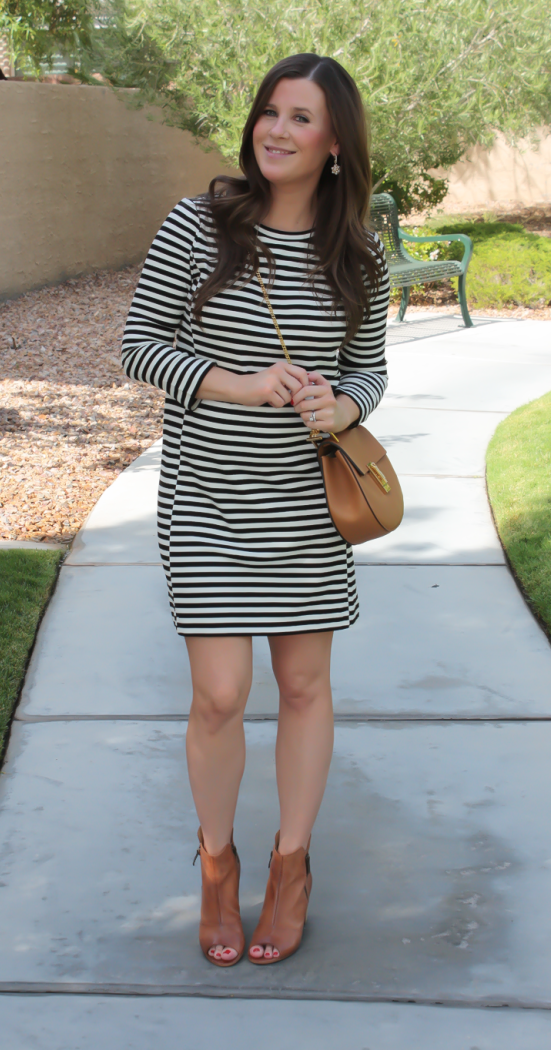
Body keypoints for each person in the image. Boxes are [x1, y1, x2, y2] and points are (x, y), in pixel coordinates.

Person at [121, 52, 389, 967]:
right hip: (207, 497)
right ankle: (216, 863)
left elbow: (371, 368)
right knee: (221, 695)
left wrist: (341, 405)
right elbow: (139, 343)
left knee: (305, 687)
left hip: (306, 510)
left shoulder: (360, 252)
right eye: (269, 111)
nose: (276, 129)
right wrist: (235, 384)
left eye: (301, 117)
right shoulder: (199, 226)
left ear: (336, 144)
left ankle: (290, 866)